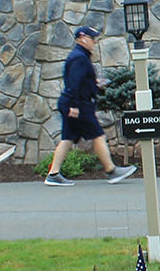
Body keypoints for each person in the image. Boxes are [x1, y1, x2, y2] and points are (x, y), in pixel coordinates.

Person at [44, 25, 136, 187]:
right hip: (79, 104)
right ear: (82, 38)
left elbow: (79, 81)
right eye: (92, 38)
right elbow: (73, 83)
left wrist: (94, 83)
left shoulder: (79, 56)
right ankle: (111, 170)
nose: (94, 42)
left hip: (73, 102)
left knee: (68, 138)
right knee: (98, 135)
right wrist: (74, 105)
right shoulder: (79, 58)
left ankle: (53, 174)